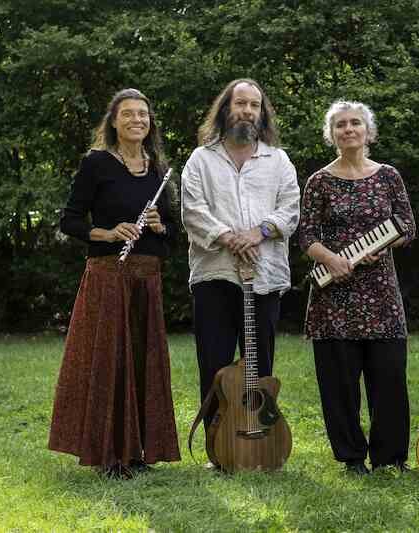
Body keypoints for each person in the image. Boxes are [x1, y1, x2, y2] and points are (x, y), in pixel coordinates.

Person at [49, 88, 181, 478]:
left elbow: (172, 237)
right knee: (111, 363)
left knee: (144, 363)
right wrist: (106, 233)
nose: (137, 120)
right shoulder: (97, 164)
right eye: (128, 114)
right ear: (114, 121)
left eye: (143, 114)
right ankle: (110, 454)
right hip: (109, 277)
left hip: (147, 279)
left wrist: (161, 225)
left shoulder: (157, 169)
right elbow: (69, 220)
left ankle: (138, 452)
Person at [181, 79, 300, 458]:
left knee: (260, 366)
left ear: (262, 113)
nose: (247, 111)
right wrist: (230, 237)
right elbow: (193, 211)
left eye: (254, 105)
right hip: (215, 275)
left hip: (263, 278)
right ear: (225, 109)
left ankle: (262, 444)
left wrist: (257, 233)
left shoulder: (277, 160)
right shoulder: (201, 159)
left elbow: (290, 210)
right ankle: (220, 449)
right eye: (240, 104)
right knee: (214, 366)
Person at [298, 100, 416, 475]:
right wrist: (333, 259)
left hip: (381, 292)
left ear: (368, 131)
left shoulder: (388, 176)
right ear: (331, 134)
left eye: (355, 124)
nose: (349, 130)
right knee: (339, 384)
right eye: (341, 125)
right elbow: (306, 236)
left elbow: (407, 227)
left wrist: (378, 245)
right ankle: (351, 458)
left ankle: (390, 457)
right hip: (335, 294)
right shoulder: (319, 181)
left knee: (389, 378)